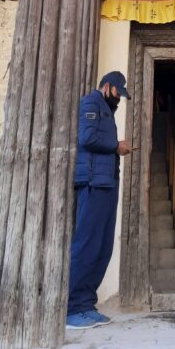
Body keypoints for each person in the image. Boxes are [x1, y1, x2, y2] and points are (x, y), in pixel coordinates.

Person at [66, 70, 132, 329]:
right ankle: (73, 309)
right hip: (93, 184)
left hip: (107, 183)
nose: (118, 98)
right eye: (117, 92)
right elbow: (87, 138)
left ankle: (86, 304)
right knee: (87, 245)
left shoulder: (107, 109)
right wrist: (117, 146)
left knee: (103, 247)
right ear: (107, 86)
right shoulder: (91, 103)